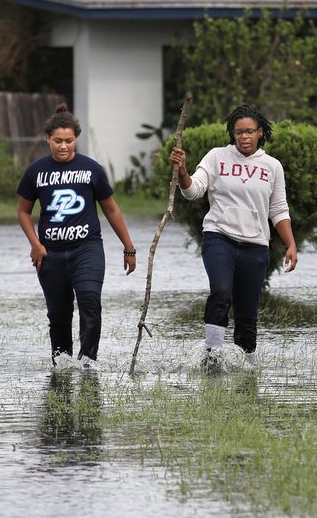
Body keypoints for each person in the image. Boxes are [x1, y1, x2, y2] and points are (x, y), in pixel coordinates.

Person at [168, 104, 297, 362]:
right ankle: (212, 355)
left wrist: (291, 244)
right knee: (221, 292)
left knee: (247, 310)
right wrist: (183, 172)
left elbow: (278, 209)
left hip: (256, 245)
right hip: (220, 238)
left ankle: (246, 365)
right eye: (238, 132)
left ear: (260, 132)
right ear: (232, 133)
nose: (244, 137)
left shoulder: (272, 166)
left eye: (249, 131)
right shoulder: (217, 157)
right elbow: (193, 191)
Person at [17, 103, 136, 367]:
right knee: (59, 315)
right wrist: (36, 245)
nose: (63, 146)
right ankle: (61, 365)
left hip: (87, 249)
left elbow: (111, 210)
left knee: (90, 302)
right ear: (48, 139)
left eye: (68, 141)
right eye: (57, 141)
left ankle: (88, 362)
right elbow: (23, 212)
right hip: (50, 254)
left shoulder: (92, 169)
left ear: (76, 139)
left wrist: (129, 247)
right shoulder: (35, 171)